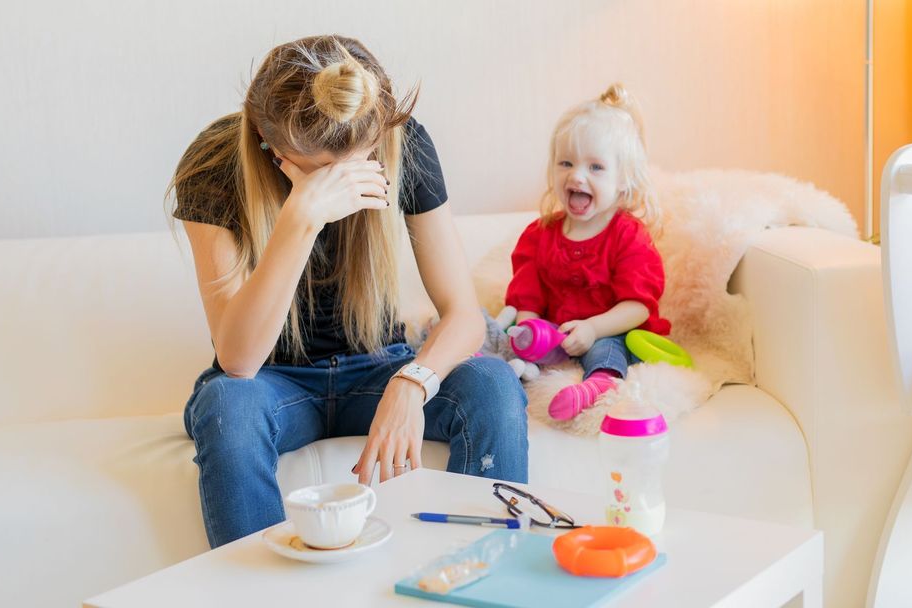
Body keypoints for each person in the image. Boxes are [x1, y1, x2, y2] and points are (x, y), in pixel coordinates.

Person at [168, 35, 528, 548]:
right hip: (272, 381)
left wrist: (412, 383)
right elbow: (239, 360)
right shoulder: (215, 164)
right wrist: (302, 217)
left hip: (378, 366)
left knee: (492, 384)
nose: (344, 184)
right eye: (321, 173)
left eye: (359, 165)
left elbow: (463, 315)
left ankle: (474, 576)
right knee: (227, 405)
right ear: (270, 149)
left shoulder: (404, 144)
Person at [505, 84, 670, 421]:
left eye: (595, 167)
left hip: (610, 330)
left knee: (606, 349)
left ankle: (600, 384)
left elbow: (638, 306)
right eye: (566, 163)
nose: (577, 175)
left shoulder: (628, 235)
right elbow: (528, 298)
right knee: (511, 340)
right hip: (559, 333)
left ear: (623, 180)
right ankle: (513, 373)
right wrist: (529, 332)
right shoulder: (540, 235)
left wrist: (594, 328)